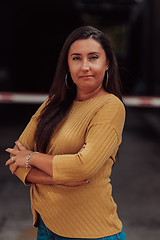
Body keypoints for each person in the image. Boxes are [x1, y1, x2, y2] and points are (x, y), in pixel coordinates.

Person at [5, 26, 126, 240]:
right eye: (76, 58)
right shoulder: (53, 105)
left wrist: (32, 158)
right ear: (67, 64)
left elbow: (83, 167)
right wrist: (58, 179)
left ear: (107, 63)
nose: (85, 66)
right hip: (47, 227)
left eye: (94, 57)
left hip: (91, 232)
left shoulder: (110, 106)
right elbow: (15, 157)